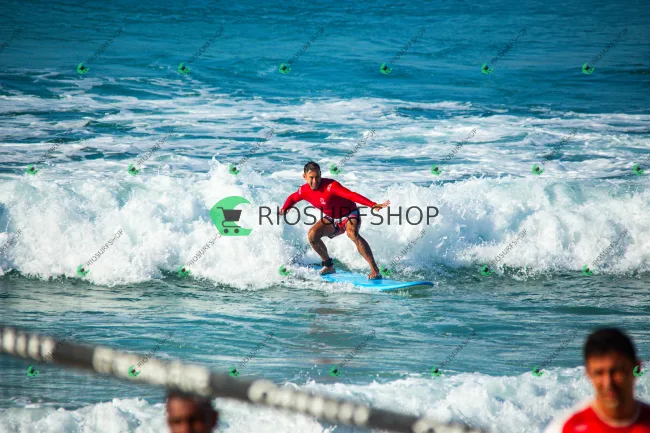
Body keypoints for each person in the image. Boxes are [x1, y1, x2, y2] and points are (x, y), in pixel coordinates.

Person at [279, 161, 389, 279]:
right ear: (304, 176)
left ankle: (375, 270)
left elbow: (351, 195)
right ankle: (329, 265)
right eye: (311, 178)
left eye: (317, 177)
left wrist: (372, 204)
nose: (315, 181)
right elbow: (293, 198)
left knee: (352, 233)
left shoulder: (331, 186)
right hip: (332, 218)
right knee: (312, 235)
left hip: (349, 214)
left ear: (320, 174)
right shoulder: (303, 190)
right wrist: (285, 209)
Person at [543, 328, 650, 432]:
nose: (608, 383)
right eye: (599, 373)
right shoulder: (566, 428)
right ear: (588, 373)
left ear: (637, 368)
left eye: (616, 371)